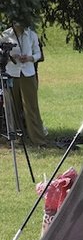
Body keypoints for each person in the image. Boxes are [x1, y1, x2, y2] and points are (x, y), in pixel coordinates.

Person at [2, 19, 49, 147]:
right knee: (11, 107)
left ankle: (38, 139)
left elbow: (38, 53)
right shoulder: (5, 35)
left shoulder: (32, 35)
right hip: (12, 73)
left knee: (31, 108)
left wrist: (30, 58)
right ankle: (15, 139)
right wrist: (10, 58)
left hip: (28, 73)